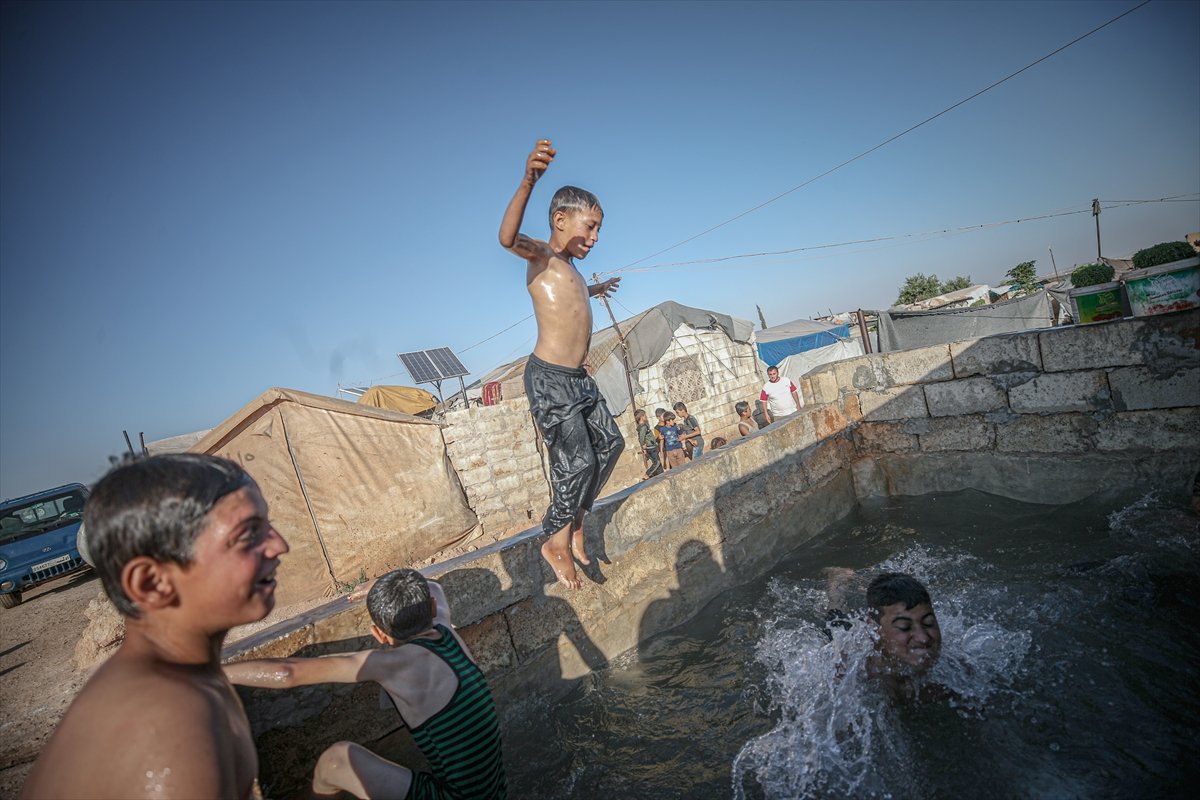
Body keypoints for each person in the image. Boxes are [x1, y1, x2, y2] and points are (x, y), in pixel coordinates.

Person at [22, 454, 290, 800]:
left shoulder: (179, 679)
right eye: (248, 534)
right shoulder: (169, 726)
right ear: (151, 582)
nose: (279, 544)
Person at [225, 568, 506, 800]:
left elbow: (289, 673)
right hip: (492, 793)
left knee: (336, 761)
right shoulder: (446, 630)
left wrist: (215, 672)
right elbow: (433, 586)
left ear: (378, 634)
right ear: (432, 609)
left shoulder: (394, 665)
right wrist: (386, 584)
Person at [499, 138, 624, 590]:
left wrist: (596, 290)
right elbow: (507, 239)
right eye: (588, 227)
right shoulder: (543, 256)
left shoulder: (569, 268)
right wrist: (529, 180)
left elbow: (571, 300)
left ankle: (576, 522)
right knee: (576, 462)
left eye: (597, 231)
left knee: (611, 446)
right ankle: (552, 538)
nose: (593, 237)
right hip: (550, 379)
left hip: (577, 378)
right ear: (559, 220)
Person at [824, 569, 942, 703]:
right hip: (846, 640)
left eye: (928, 623)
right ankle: (836, 585)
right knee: (836, 622)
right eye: (904, 627)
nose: (923, 638)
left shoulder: (957, 666)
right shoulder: (855, 671)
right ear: (875, 629)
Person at [635, 408, 663, 479]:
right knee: (657, 462)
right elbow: (641, 437)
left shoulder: (642, 426)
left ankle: (661, 476)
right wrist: (643, 445)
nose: (646, 417)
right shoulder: (643, 427)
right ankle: (647, 474)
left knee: (658, 464)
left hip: (652, 446)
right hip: (651, 447)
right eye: (645, 415)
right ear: (641, 417)